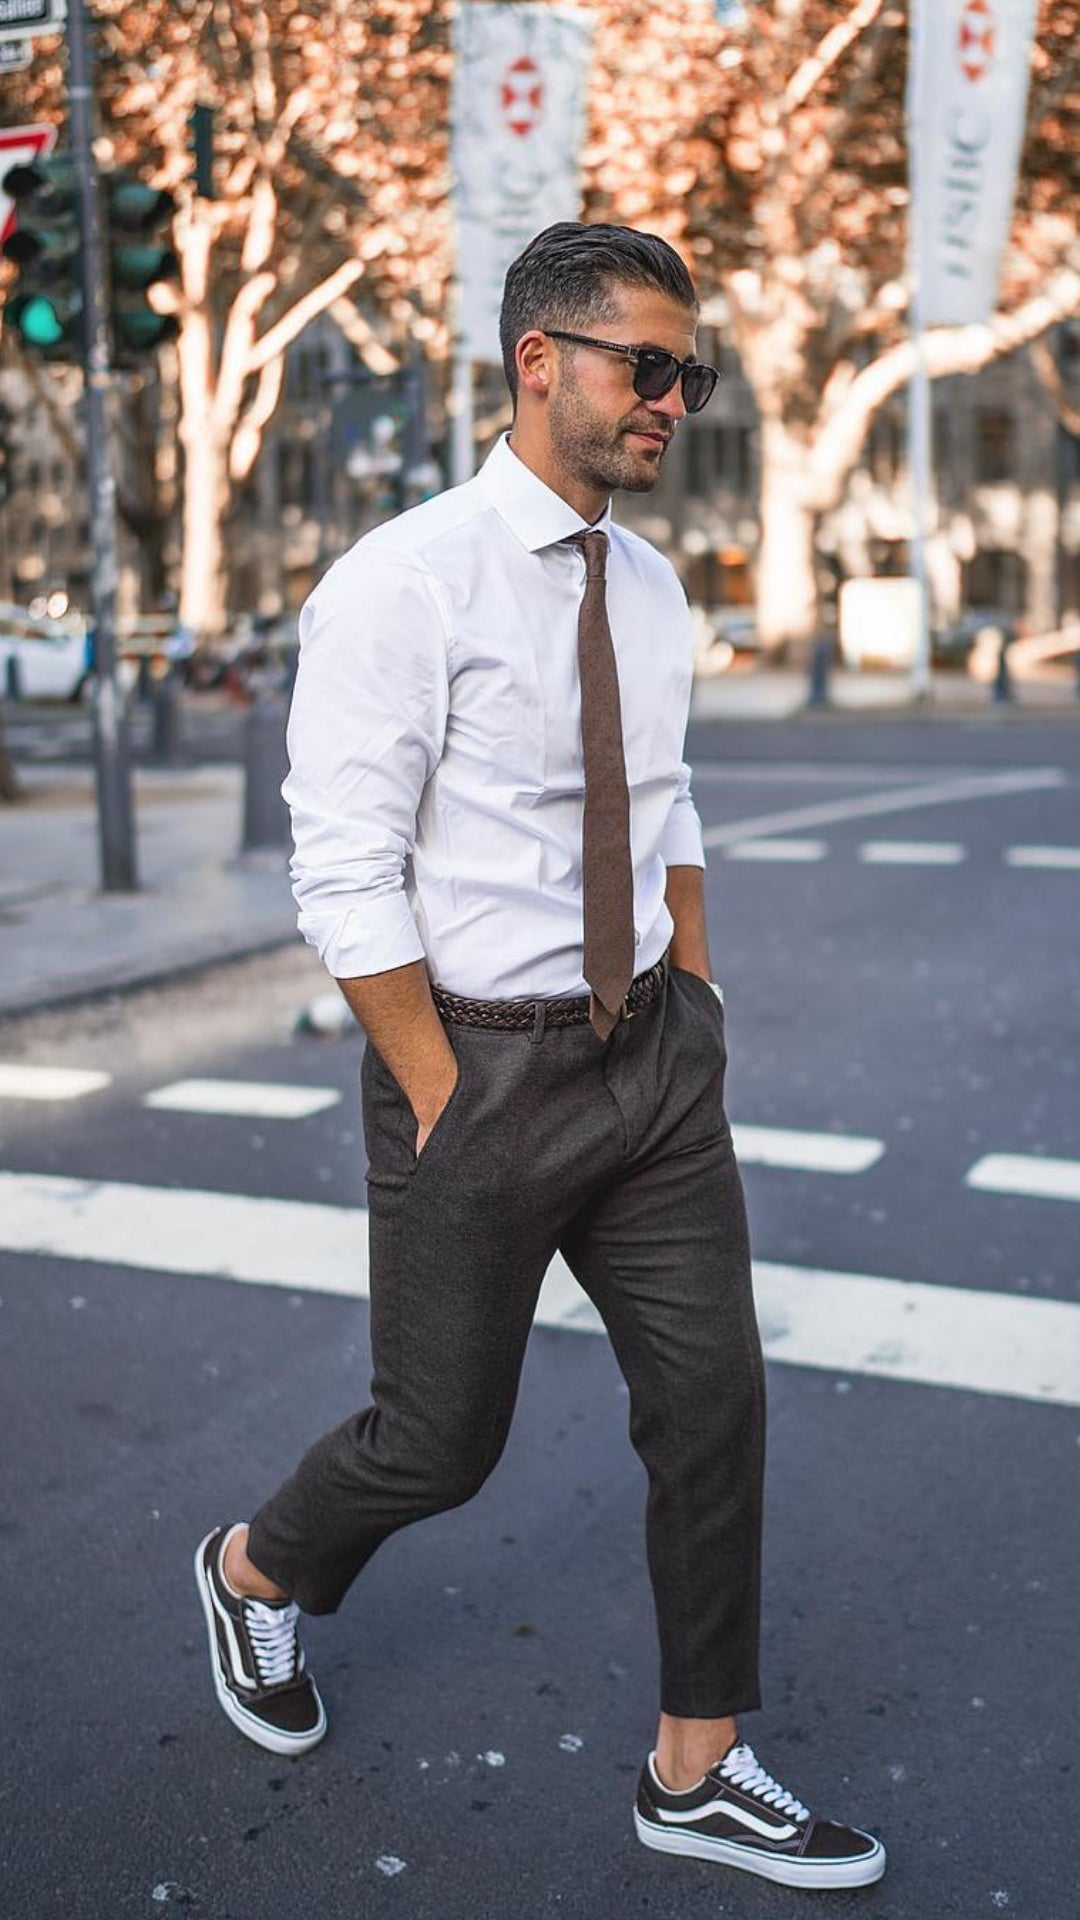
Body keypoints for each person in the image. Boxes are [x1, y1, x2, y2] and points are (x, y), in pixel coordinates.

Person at [194, 221, 886, 1893]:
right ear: (539, 363)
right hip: (481, 1072)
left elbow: (666, 807)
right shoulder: (401, 580)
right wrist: (442, 1091)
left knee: (715, 1406)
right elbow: (342, 867)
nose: (676, 401)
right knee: (439, 1445)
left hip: (651, 1067)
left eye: (690, 374)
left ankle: (697, 1766)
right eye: (649, 367)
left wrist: (692, 998)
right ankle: (256, 1573)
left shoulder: (649, 590)